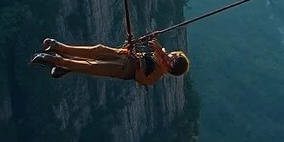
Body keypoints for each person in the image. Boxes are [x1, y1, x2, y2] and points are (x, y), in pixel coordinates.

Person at [29, 36, 189, 86]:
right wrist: (143, 42)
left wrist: (140, 67)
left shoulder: (158, 72)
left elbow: (143, 81)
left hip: (123, 69)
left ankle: (57, 60)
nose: (171, 57)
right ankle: (60, 47)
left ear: (170, 69)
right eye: (174, 55)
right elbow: (157, 49)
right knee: (97, 50)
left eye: (173, 61)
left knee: (92, 66)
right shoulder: (160, 56)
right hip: (124, 55)